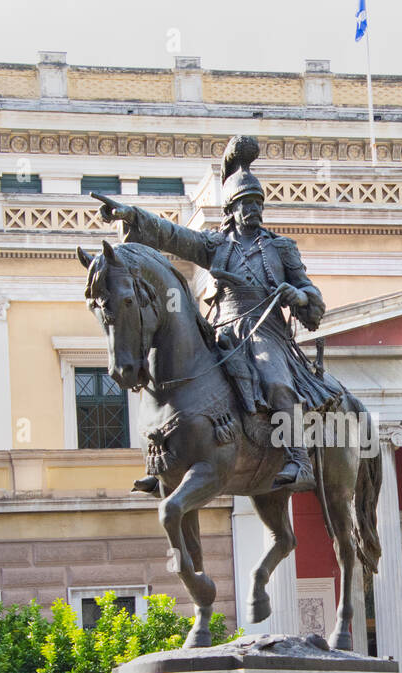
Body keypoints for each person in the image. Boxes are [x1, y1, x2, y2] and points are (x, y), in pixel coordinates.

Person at [97, 135, 338, 493]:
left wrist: (298, 297)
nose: (253, 209)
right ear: (231, 209)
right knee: (172, 374)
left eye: (257, 202)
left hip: (265, 331)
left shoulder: (281, 247)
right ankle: (167, 459)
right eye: (245, 203)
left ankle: (298, 458)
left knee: (275, 382)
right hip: (221, 331)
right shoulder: (216, 245)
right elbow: (172, 235)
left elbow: (312, 296)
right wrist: (131, 215)